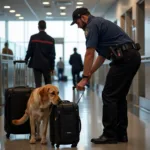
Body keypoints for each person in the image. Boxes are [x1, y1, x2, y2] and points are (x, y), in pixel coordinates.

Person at [71, 7, 141, 144]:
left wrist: (84, 77)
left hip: (124, 58)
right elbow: (102, 56)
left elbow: (89, 53)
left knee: (108, 95)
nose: (78, 26)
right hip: (131, 56)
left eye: (77, 22)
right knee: (119, 96)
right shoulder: (100, 23)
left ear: (83, 17)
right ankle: (121, 134)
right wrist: (90, 73)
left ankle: (109, 134)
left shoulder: (91, 26)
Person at [25, 20, 55, 88]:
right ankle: (48, 98)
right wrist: (52, 67)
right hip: (47, 65)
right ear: (45, 27)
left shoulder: (33, 38)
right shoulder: (51, 39)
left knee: (38, 85)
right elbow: (52, 55)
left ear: (38, 27)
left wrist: (26, 59)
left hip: (36, 64)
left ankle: (38, 98)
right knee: (48, 85)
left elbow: (30, 51)